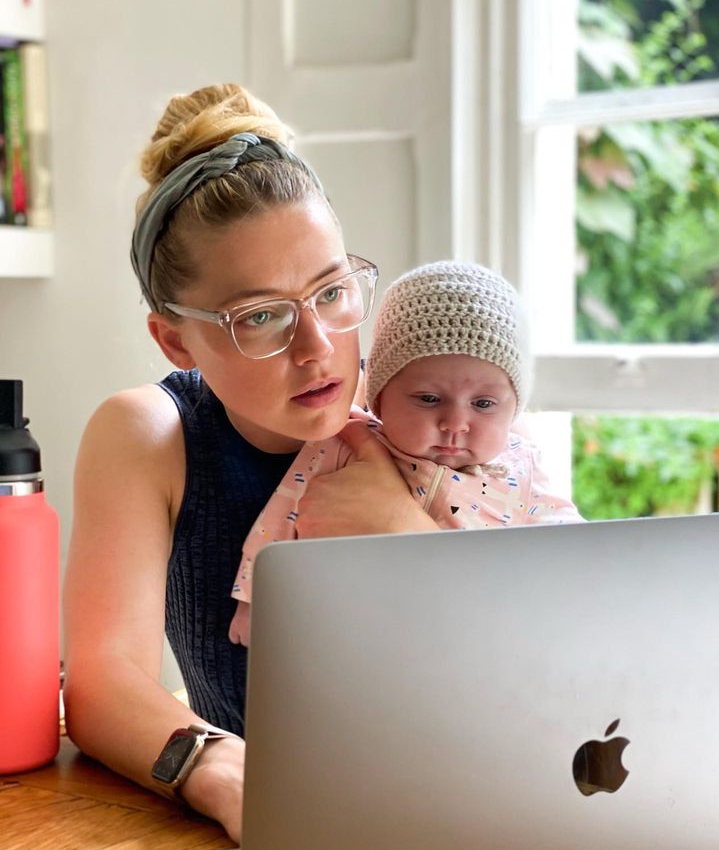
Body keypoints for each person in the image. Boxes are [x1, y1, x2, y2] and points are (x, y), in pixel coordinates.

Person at [61, 84, 437, 845]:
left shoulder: (422, 406)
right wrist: (221, 770)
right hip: (276, 839)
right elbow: (101, 684)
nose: (318, 345)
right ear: (174, 341)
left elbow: (545, 664)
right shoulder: (149, 436)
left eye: (331, 291)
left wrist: (407, 528)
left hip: (449, 813)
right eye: (261, 315)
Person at [228, 259, 583, 645]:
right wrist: (253, 598)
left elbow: (575, 553)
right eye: (429, 399)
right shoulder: (347, 443)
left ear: (513, 408)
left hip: (472, 637)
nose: (455, 422)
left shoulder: (522, 467)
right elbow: (280, 517)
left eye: (483, 404)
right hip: (361, 636)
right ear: (381, 398)